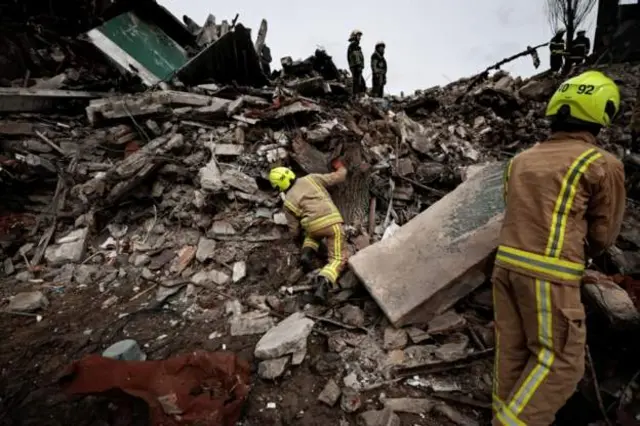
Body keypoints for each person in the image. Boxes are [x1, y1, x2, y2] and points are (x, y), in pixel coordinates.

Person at [492, 70, 626, 426]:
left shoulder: (520, 160)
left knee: (512, 352)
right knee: (562, 361)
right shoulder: (601, 163)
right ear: (602, 112)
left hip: (505, 266)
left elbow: (515, 206)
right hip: (549, 274)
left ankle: (505, 415)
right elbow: (603, 233)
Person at [269, 160, 349, 303]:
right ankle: (323, 283)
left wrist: (295, 237)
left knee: (312, 235)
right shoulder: (311, 178)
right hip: (331, 222)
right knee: (338, 259)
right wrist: (340, 166)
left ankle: (306, 253)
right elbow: (339, 177)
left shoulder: (287, 202)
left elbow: (294, 230)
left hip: (312, 226)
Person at [347, 30, 365, 97]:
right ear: (354, 36)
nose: (360, 37)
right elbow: (356, 55)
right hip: (356, 66)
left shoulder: (355, 46)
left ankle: (357, 96)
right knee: (358, 83)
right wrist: (359, 65)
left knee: (358, 82)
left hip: (355, 66)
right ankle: (356, 97)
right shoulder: (354, 45)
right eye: (358, 36)